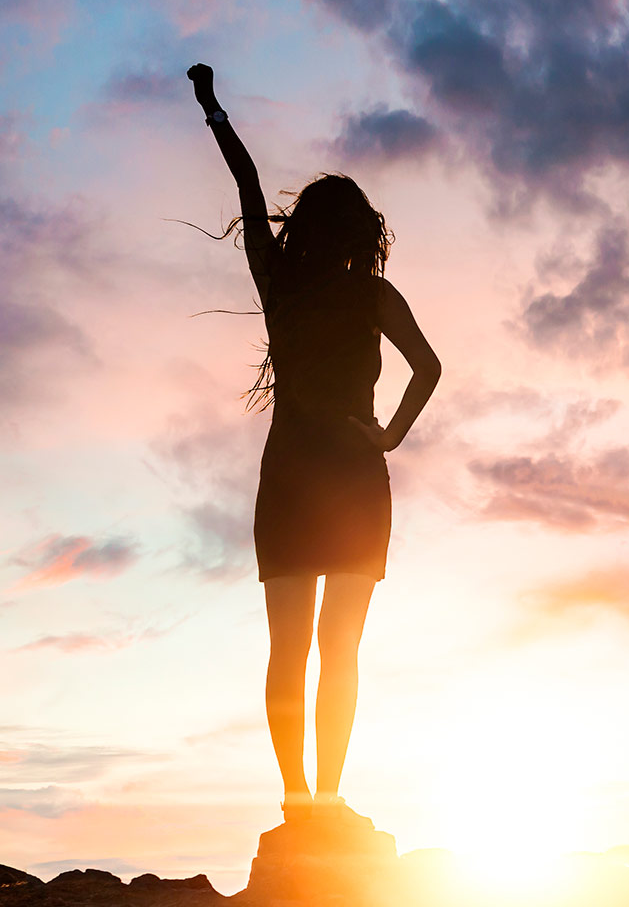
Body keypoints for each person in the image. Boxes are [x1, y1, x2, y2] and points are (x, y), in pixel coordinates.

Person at [188, 63, 441, 825]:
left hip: (296, 480)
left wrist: (212, 109)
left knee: (293, 647)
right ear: (362, 235)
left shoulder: (280, 284)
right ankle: (323, 799)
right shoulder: (371, 293)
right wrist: (389, 434)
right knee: (337, 648)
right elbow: (427, 369)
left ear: (310, 229)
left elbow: (248, 184)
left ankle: (302, 800)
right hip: (356, 480)